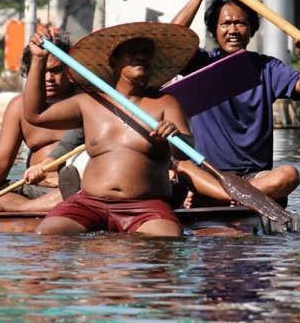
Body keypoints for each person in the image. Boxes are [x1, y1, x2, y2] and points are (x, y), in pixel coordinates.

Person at [23, 22, 198, 237]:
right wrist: (38, 59)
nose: (140, 56)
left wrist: (174, 136)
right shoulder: (90, 103)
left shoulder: (165, 103)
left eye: (145, 52)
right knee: (47, 234)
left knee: (168, 237)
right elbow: (35, 115)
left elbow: (186, 151)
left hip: (144, 206)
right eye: (131, 52)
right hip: (89, 202)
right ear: (114, 61)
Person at [170, 0, 300, 206]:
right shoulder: (201, 64)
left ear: (251, 30)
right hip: (209, 175)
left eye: (240, 23)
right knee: (180, 167)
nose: (233, 30)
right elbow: (172, 39)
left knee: (289, 175)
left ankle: (237, 195)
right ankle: (237, 196)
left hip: (254, 177)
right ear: (214, 31)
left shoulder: (266, 67)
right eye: (226, 24)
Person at [0, 32, 75, 212]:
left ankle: (32, 208)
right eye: (41, 72)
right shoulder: (18, 107)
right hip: (35, 190)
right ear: (29, 74)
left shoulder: (85, 102)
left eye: (55, 71)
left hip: (72, 190)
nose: (48, 79)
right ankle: (36, 208)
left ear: (69, 70)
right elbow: (1, 160)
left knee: (79, 195)